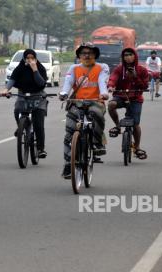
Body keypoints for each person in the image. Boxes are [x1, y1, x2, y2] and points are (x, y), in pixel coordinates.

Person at [59, 42, 109, 179]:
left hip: (95, 101)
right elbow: (68, 82)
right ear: (79, 56)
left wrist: (103, 93)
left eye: (90, 53)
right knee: (69, 134)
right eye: (83, 53)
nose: (87, 56)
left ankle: (97, 142)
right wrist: (64, 93)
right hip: (76, 103)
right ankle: (69, 165)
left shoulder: (102, 67)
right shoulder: (74, 68)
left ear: (95, 55)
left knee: (97, 114)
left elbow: (102, 81)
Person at [0, 49, 49, 158]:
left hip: (38, 95)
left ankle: (40, 149)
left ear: (35, 59)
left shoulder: (40, 68)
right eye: (27, 58)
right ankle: (21, 126)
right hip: (23, 94)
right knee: (17, 109)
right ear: (24, 59)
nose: (30, 60)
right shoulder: (19, 68)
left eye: (32, 58)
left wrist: (34, 69)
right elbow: (12, 80)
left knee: (38, 123)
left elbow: (41, 83)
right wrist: (6, 90)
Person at [107, 48, 148, 160]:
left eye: (130, 55)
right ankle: (117, 126)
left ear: (134, 56)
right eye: (125, 55)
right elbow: (113, 78)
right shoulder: (119, 69)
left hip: (135, 98)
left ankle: (137, 147)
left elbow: (145, 86)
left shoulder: (142, 70)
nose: (128, 57)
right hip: (121, 96)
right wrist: (110, 86)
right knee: (111, 105)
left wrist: (135, 76)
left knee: (135, 124)